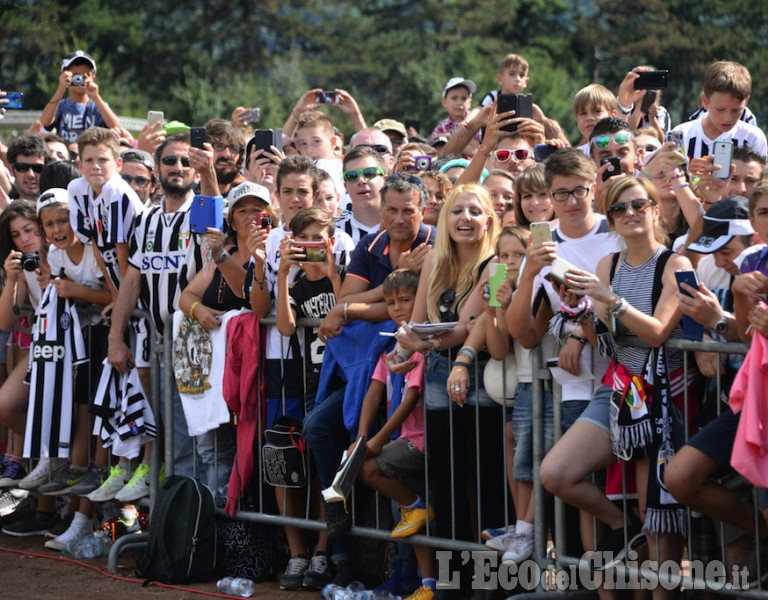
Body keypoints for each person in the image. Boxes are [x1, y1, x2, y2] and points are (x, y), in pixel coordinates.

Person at [540, 175, 695, 599]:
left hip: (663, 397)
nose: (629, 214)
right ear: (610, 218)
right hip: (620, 391)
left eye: (638, 205)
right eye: (619, 209)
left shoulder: (675, 264)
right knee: (556, 473)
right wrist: (581, 312)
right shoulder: (609, 265)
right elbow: (605, 343)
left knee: (657, 514)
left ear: (655, 209)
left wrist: (609, 299)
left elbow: (658, 333)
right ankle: (622, 528)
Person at [390, 184, 503, 599]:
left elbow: (470, 326)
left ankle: (491, 581)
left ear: (489, 219)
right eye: (457, 211)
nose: (465, 219)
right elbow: (415, 323)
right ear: (445, 220)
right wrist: (399, 353)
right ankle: (455, 580)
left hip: (483, 375)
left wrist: (426, 345)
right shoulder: (436, 264)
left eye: (475, 211)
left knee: (486, 480)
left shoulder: (499, 265)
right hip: (439, 374)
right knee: (447, 479)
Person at [105, 132, 209, 498]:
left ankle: (195, 522)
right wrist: (115, 338)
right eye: (170, 161)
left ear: (196, 172)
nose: (178, 168)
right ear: (156, 168)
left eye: (187, 162)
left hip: (200, 344)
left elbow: (215, 226)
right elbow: (131, 282)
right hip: (159, 344)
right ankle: (176, 523)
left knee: (199, 440)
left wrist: (209, 172)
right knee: (171, 435)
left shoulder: (201, 209)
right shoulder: (145, 220)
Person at [28, 188, 112, 551]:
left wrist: (76, 291)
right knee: (79, 415)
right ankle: (69, 494)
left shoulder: (95, 249)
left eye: (64, 220)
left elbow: (117, 295)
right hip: (78, 346)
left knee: (98, 421)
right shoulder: (56, 253)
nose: (59, 229)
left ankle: (85, 519)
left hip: (108, 344)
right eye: (50, 224)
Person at [273, 207, 344, 590]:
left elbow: (343, 315)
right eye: (305, 241)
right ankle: (302, 556)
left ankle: (323, 552)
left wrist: (332, 272)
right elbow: (284, 326)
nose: (313, 247)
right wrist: (284, 273)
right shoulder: (297, 286)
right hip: (309, 386)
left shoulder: (343, 275)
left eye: (320, 238)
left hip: (340, 385)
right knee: (306, 467)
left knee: (326, 471)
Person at [354, 269, 436, 600]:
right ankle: (427, 585)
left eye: (405, 300)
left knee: (369, 470)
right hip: (399, 440)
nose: (398, 308)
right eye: (390, 302)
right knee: (412, 516)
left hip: (419, 440)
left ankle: (416, 506)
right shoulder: (392, 344)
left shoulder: (416, 344)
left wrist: (376, 441)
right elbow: (375, 392)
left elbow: (412, 396)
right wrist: (362, 438)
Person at [68, 127, 145, 299]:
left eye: (103, 160)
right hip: (120, 284)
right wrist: (114, 295)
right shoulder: (78, 189)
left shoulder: (115, 190)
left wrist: (124, 299)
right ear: (80, 165)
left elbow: (122, 247)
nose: (95, 166)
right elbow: (96, 244)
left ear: (118, 165)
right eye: (89, 160)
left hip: (141, 281)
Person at [669, 61, 767, 161]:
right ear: (705, 101)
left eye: (736, 110)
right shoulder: (679, 135)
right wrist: (690, 174)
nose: (728, 118)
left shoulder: (753, 138)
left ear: (746, 102)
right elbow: (669, 175)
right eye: (720, 109)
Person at [39, 51, 120, 144]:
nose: (80, 80)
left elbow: (116, 127)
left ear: (93, 77)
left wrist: (96, 97)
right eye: (75, 75)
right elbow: (45, 122)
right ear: (64, 76)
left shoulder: (98, 106)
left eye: (86, 75)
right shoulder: (60, 105)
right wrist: (60, 91)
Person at [337, 145, 388, 243]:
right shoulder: (332, 230)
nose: (361, 181)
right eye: (352, 176)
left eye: (369, 173)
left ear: (385, 181)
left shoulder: (401, 226)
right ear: (345, 186)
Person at [204, 118, 246, 198]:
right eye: (219, 146)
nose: (226, 154)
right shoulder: (189, 196)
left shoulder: (246, 198)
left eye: (233, 147)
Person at [429, 77, 480, 142]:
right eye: (454, 98)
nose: (459, 103)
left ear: (469, 103)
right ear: (444, 102)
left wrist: (450, 138)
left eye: (464, 98)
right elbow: (432, 146)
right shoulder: (441, 127)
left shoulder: (477, 122)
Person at [571, 84, 618, 153]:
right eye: (583, 113)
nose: (589, 118)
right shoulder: (576, 157)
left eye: (597, 111)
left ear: (613, 115)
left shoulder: (624, 150)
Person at [6, 133, 51, 203]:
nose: (31, 175)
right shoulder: (4, 211)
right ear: (11, 169)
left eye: (37, 168)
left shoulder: (63, 210)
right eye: (22, 167)